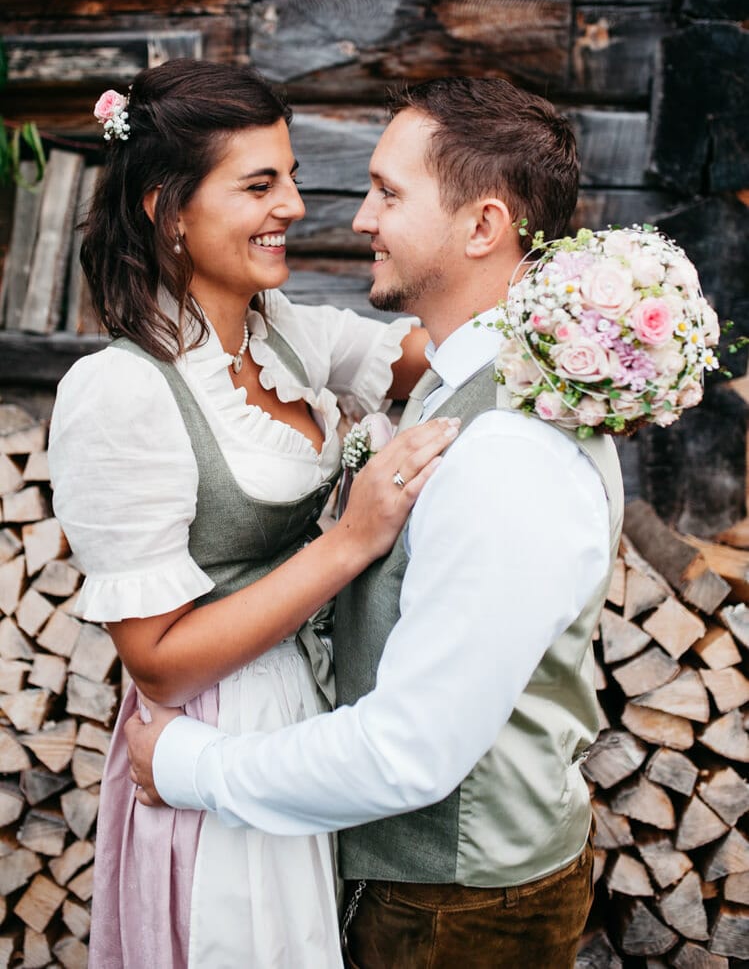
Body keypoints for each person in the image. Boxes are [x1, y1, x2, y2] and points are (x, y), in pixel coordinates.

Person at [126, 77, 625, 968]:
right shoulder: (463, 378)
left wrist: (190, 766)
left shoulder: (508, 448)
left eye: (388, 193)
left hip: (454, 905)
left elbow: (409, 753)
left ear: (481, 226)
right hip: (416, 884)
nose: (356, 218)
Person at [47, 59, 460, 969]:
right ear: (168, 207)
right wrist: (352, 541)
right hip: (210, 738)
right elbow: (155, 662)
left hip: (307, 724)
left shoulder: (288, 335)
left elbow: (434, 356)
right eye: (259, 184)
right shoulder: (119, 392)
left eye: (294, 179)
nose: (294, 207)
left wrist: (572, 321)